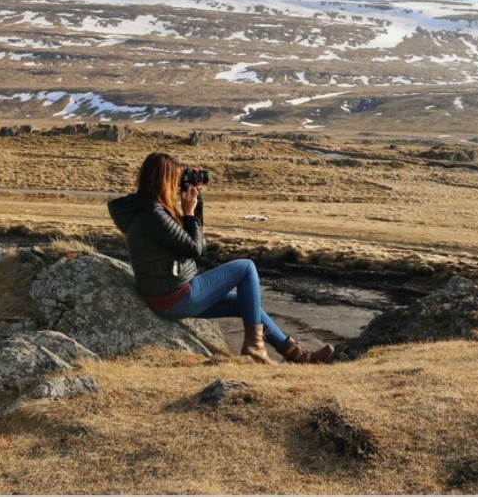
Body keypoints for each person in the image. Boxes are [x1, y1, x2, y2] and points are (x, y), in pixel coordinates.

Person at [107, 152, 334, 365]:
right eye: (176, 179)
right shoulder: (153, 214)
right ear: (164, 180)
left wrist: (196, 205)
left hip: (168, 295)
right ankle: (255, 349)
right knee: (246, 268)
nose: (178, 185)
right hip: (176, 298)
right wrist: (188, 213)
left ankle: (297, 355)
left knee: (244, 302)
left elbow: (193, 241)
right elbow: (195, 248)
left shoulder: (144, 210)